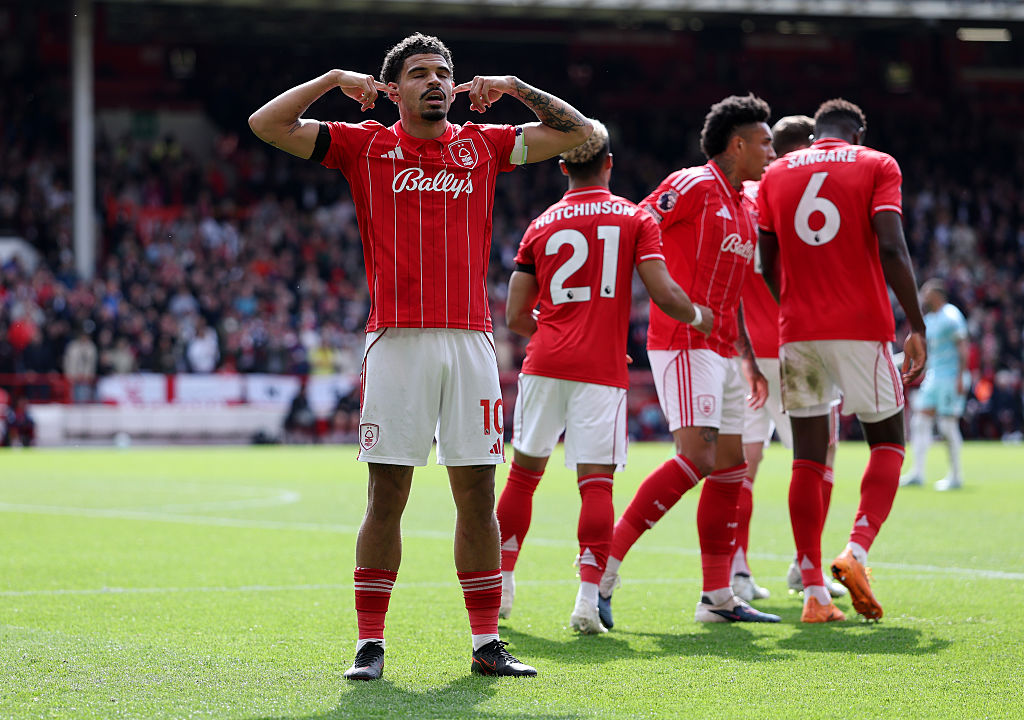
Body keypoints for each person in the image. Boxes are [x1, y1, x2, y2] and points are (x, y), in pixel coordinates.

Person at [249, 32, 592, 680]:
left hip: (470, 342)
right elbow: (266, 124)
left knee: (477, 494)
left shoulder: (484, 144)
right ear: (392, 89)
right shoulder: (365, 144)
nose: (435, 81)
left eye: (444, 73)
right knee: (387, 495)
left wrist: (516, 88)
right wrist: (329, 76)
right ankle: (370, 644)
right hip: (397, 341)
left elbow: (580, 133)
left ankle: (487, 643)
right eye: (419, 73)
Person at [495, 120, 713, 633]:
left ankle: (501, 588)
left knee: (523, 477)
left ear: (563, 164)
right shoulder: (635, 219)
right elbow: (663, 294)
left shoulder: (541, 223)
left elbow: (514, 316)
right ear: (609, 164)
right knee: (595, 484)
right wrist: (702, 317)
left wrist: (551, 334)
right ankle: (587, 602)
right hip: (601, 369)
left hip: (545, 361)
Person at [598, 94, 781, 627]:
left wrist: (745, 355)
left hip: (724, 348)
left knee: (730, 466)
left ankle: (717, 597)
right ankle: (605, 563)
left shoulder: (746, 206)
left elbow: (739, 293)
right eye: (765, 142)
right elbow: (636, 225)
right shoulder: (692, 184)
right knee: (698, 457)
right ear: (738, 144)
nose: (771, 151)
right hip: (682, 339)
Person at [757, 98, 927, 623]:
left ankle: (812, 592)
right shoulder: (877, 164)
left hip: (798, 332)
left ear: (816, 135)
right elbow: (894, 249)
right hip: (861, 326)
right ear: (856, 132)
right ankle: (856, 550)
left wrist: (796, 310)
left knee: (807, 457)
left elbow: (769, 261)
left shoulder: (776, 173)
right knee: (889, 440)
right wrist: (916, 325)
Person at [731, 116, 846, 602]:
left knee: (743, 464)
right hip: (799, 346)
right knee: (818, 458)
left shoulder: (737, 201)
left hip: (748, 352)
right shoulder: (793, 199)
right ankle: (807, 568)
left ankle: (735, 570)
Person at [900, 279, 970, 491]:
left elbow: (963, 348)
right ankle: (918, 473)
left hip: (950, 378)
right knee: (919, 423)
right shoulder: (929, 319)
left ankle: (956, 475)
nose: (922, 297)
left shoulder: (952, 316)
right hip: (933, 377)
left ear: (937, 295)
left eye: (926, 292)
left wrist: (961, 377)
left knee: (947, 425)